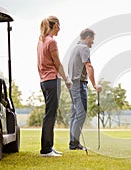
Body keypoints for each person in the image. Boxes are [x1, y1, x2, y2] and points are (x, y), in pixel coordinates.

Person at [37, 16, 71, 157]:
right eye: (59, 25)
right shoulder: (51, 42)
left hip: (44, 81)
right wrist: (67, 79)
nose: (60, 28)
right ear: (55, 25)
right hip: (52, 80)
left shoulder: (41, 41)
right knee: (50, 115)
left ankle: (49, 146)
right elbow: (58, 64)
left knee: (49, 114)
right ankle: (46, 149)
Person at [68, 28, 102, 150]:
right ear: (87, 37)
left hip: (72, 84)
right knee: (81, 114)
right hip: (79, 84)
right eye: (92, 39)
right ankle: (74, 144)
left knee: (75, 114)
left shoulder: (75, 48)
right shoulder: (84, 48)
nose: (92, 42)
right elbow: (89, 66)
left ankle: (73, 142)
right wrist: (94, 85)